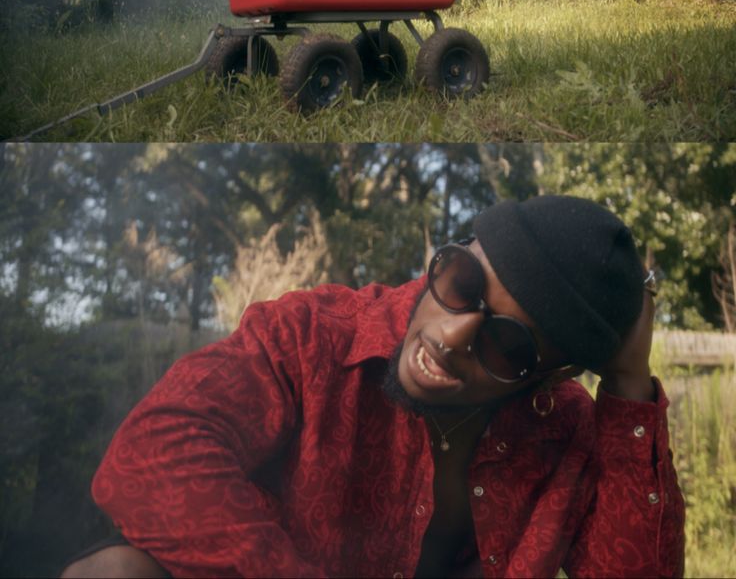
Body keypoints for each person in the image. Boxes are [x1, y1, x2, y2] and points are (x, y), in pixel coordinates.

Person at [61, 196, 684, 579]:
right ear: (449, 253)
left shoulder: (565, 426)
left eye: (507, 343)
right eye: (462, 281)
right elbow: (152, 455)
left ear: (553, 375)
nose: (451, 335)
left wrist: (629, 384)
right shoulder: (311, 336)